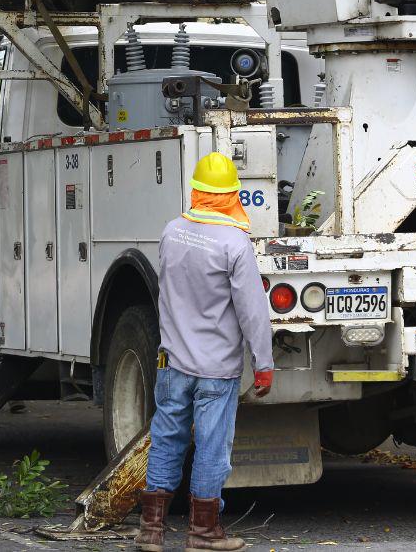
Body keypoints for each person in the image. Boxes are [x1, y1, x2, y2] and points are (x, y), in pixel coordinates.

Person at [136, 153, 274, 552]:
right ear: (233, 195)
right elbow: (251, 310)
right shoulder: (235, 244)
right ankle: (204, 532)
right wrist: (262, 365)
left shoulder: (172, 232)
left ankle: (151, 530)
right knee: (213, 446)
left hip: (172, 362)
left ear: (197, 191)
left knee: (166, 438)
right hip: (216, 369)